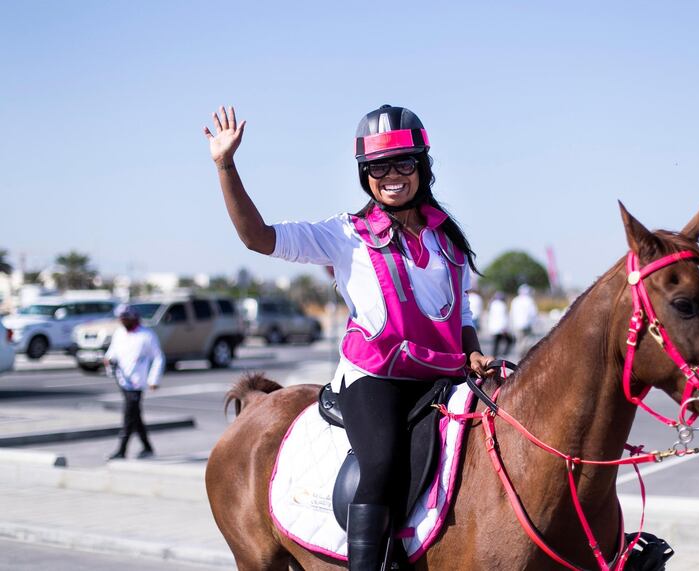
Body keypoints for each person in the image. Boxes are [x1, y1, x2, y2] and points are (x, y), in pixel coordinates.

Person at [205, 104, 495, 570]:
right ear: (365, 174)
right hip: (375, 378)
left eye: (404, 163)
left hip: (445, 373)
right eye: (378, 167)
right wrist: (226, 166)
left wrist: (476, 352)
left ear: (422, 166)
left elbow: (460, 312)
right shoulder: (344, 235)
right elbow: (257, 237)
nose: (392, 175)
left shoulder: (449, 240)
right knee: (381, 465)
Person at [104, 304, 163, 460]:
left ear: (133, 318)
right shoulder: (119, 334)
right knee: (135, 415)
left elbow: (158, 357)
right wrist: (108, 360)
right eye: (121, 318)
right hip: (122, 380)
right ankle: (147, 447)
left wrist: (153, 379)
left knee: (128, 415)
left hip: (137, 382)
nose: (122, 321)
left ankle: (121, 450)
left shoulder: (146, 335)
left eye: (125, 318)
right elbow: (112, 353)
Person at [510, 283, 538, 355]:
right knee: (527, 340)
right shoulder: (529, 300)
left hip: (517, 324)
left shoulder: (515, 300)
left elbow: (511, 313)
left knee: (519, 341)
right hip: (527, 324)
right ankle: (525, 355)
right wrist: (535, 323)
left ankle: (520, 355)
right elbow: (533, 313)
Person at [487, 292, 513, 356]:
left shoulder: (492, 304)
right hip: (501, 327)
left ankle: (494, 355)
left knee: (496, 342)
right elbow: (503, 317)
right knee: (510, 340)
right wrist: (505, 328)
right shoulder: (502, 305)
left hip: (493, 327)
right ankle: (504, 353)